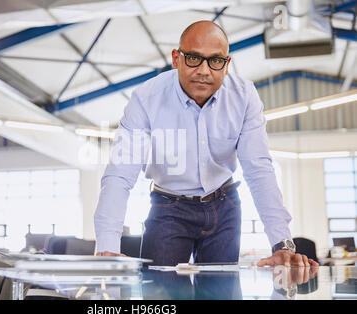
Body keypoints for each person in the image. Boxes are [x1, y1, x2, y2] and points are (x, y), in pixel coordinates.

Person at [94, 20, 319, 268]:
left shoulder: (244, 96)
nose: (204, 70)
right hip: (169, 207)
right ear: (176, 58)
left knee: (221, 293)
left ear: (226, 64)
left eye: (215, 61)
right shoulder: (146, 99)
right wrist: (107, 247)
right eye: (193, 58)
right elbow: (119, 175)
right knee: (161, 294)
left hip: (224, 205)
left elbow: (259, 169)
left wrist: (282, 244)